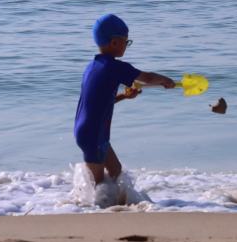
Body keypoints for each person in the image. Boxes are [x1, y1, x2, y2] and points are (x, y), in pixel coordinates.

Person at [74, 14, 175, 186]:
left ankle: (118, 206)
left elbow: (100, 101)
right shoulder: (115, 67)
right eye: (126, 42)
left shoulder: (92, 67)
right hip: (93, 133)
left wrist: (124, 96)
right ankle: (91, 209)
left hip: (90, 130)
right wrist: (167, 80)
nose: (127, 46)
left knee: (116, 171)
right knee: (98, 186)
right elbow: (148, 78)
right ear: (114, 42)